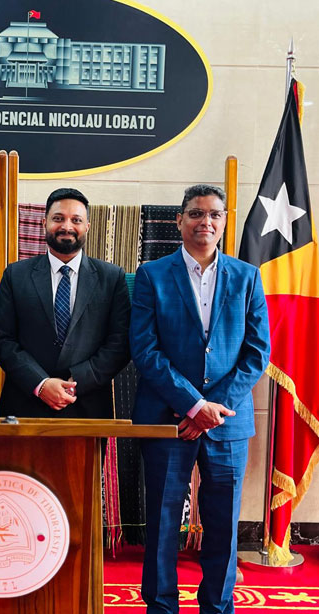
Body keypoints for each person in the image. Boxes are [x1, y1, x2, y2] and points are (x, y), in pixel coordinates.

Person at [130, 184, 270, 613]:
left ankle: (217, 606)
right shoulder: (151, 275)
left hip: (227, 422)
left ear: (224, 222)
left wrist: (211, 410)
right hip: (166, 418)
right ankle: (161, 606)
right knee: (162, 522)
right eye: (195, 213)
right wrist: (193, 405)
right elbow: (145, 350)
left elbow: (257, 352)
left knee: (224, 525)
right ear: (179, 220)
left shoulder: (247, 276)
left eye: (213, 214)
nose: (204, 222)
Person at [0, 187, 130, 419]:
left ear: (87, 226)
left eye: (76, 220)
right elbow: (2, 338)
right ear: (44, 223)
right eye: (58, 218)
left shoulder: (111, 277)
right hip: (25, 403)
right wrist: (41, 384)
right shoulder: (16, 275)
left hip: (88, 405)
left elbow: (120, 341)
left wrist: (77, 382)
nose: (67, 226)